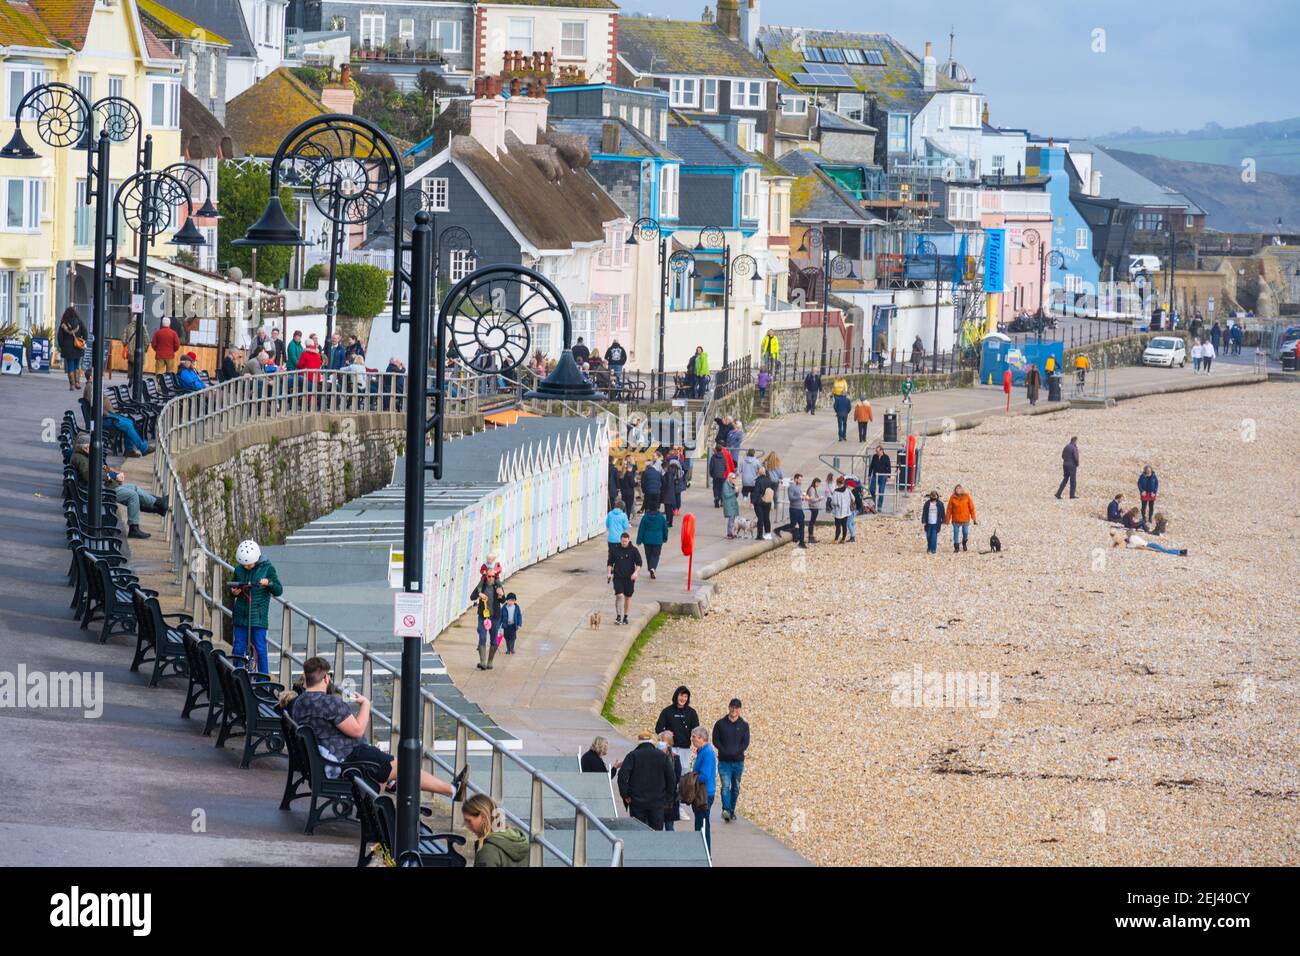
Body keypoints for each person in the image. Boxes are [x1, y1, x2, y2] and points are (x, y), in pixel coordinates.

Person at [288, 656, 465, 804]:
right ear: (326, 678)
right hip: (343, 762)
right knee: (404, 765)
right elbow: (357, 730)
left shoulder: (298, 703)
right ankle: (450, 790)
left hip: (322, 760)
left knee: (390, 768)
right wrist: (365, 704)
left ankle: (449, 789)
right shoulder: (329, 702)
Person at [70, 434, 167, 538]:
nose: (94, 450)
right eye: (91, 447)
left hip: (102, 487)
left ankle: (157, 505)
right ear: (85, 448)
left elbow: (101, 468)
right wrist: (110, 477)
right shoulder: (81, 459)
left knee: (133, 487)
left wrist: (114, 474)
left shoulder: (84, 456)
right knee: (132, 495)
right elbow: (89, 476)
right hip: (100, 491)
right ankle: (135, 527)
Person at [228, 539, 283, 674]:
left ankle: (263, 682)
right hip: (240, 616)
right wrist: (234, 592)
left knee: (260, 649)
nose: (246, 567)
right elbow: (234, 588)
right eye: (243, 564)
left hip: (258, 618)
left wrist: (268, 583)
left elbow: (278, 590)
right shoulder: (239, 569)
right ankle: (237, 675)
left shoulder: (268, 568)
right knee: (238, 648)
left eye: (249, 564)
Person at [617, 732, 676, 831]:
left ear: (639, 742)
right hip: (657, 802)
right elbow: (672, 779)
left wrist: (625, 795)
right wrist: (667, 797)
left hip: (637, 801)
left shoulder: (632, 756)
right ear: (651, 741)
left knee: (638, 832)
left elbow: (622, 777)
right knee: (656, 832)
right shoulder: (662, 756)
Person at [461, 794, 529, 867]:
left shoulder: (488, 851)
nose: (466, 825)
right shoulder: (522, 841)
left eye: (469, 821)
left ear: (483, 817)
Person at [712, 699, 749, 823]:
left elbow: (745, 742)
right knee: (725, 786)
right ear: (729, 708)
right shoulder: (720, 724)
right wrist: (724, 750)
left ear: (740, 709)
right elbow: (715, 740)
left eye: (737, 708)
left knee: (736, 787)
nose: (734, 710)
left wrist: (736, 751)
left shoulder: (744, 725)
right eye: (732, 707)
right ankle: (726, 810)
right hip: (724, 761)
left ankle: (732, 810)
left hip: (738, 762)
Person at [470, 567, 505, 670]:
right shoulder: (482, 586)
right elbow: (472, 597)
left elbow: (503, 601)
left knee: (494, 640)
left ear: (495, 577)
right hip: (483, 617)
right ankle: (483, 662)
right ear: (485, 576)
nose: (490, 578)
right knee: (482, 637)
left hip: (495, 617)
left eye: (492, 576)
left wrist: (501, 594)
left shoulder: (498, 586)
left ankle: (490, 662)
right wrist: (479, 594)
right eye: (488, 576)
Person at [689, 726, 718, 852]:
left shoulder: (707, 753)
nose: (691, 739)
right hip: (701, 793)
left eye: (693, 737)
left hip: (705, 794)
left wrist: (689, 780)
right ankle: (701, 852)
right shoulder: (702, 751)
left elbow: (704, 776)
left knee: (702, 826)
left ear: (701, 738)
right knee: (699, 824)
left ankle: (705, 854)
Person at [607, 532, 641, 625]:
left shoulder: (634, 550)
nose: (624, 543)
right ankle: (618, 616)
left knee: (628, 597)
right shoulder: (615, 550)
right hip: (618, 577)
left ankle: (625, 616)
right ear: (620, 540)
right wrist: (609, 573)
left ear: (628, 540)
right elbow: (610, 562)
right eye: (622, 541)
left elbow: (639, 563)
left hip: (630, 578)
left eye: (625, 541)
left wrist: (636, 573)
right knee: (619, 595)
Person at [655, 686, 700, 752]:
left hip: (685, 748)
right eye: (681, 696)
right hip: (669, 748)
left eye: (686, 696)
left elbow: (696, 729)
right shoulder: (667, 711)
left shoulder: (691, 712)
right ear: (676, 696)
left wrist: (696, 744)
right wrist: (666, 733)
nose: (683, 698)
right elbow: (658, 728)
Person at [657, 731, 684, 830]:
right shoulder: (654, 755)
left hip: (669, 797)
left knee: (669, 825)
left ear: (668, 743)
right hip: (657, 795)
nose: (659, 743)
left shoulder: (675, 758)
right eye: (658, 740)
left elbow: (677, 777)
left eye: (662, 740)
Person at [636, 502, 669, 578]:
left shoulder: (645, 517)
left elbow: (641, 529)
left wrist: (639, 540)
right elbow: (665, 529)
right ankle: (653, 568)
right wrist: (665, 538)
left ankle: (650, 567)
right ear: (657, 508)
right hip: (658, 539)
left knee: (648, 555)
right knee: (656, 555)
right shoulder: (661, 517)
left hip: (647, 540)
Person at [58, 306, 87, 391]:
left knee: (70, 365)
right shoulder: (79, 322)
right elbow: (85, 333)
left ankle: (72, 385)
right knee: (76, 365)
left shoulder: (63, 323)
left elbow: (60, 337)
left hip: (67, 348)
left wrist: (62, 346)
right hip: (77, 346)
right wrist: (83, 341)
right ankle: (77, 382)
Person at [776, 473, 807, 548]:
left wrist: (803, 498)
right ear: (795, 479)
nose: (800, 481)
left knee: (802, 525)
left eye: (801, 480)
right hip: (794, 509)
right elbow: (791, 498)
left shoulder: (798, 486)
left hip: (800, 509)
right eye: (799, 479)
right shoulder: (791, 487)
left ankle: (802, 543)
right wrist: (799, 497)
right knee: (792, 525)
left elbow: (799, 497)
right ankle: (778, 529)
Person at [945, 484, 977, 553]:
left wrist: (974, 518)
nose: (958, 490)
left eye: (959, 488)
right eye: (957, 488)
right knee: (956, 533)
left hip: (965, 519)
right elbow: (949, 509)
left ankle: (964, 542)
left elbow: (972, 508)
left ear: (962, 489)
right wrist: (947, 520)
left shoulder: (967, 497)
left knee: (965, 532)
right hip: (955, 519)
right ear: (955, 490)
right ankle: (956, 547)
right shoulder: (952, 498)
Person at [1113, 528, 1187, 557]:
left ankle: (1179, 552)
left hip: (1149, 544)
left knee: (1164, 550)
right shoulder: (1133, 538)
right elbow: (1141, 546)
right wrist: (1151, 549)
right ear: (1131, 533)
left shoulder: (1131, 539)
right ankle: (1179, 552)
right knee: (1164, 550)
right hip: (1149, 544)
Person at [752, 466, 775, 540]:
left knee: (760, 518)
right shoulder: (769, 480)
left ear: (759, 472)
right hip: (768, 501)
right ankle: (768, 533)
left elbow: (756, 492)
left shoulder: (758, 481)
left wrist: (753, 502)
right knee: (766, 517)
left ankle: (760, 535)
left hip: (760, 502)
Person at [920, 489, 945, 554]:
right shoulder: (927, 504)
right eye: (932, 496)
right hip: (928, 522)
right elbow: (924, 512)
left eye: (935, 496)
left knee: (934, 536)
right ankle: (929, 547)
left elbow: (942, 513)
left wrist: (943, 520)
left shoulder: (940, 504)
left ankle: (933, 549)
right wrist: (923, 520)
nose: (934, 497)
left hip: (936, 523)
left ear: (937, 496)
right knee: (928, 535)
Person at [662, 458, 685, 527]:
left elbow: (667, 484)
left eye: (663, 468)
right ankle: (670, 522)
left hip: (667, 494)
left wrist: (663, 481)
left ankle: (668, 522)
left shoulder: (668, 473)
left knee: (668, 509)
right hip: (671, 493)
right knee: (670, 508)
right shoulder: (672, 473)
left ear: (665, 467)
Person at [829, 477, 853, 543]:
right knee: (844, 525)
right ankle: (843, 539)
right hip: (846, 511)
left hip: (838, 512)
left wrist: (832, 505)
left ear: (837, 483)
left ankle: (836, 539)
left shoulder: (836, 491)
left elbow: (834, 502)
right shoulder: (847, 490)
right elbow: (853, 498)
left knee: (838, 526)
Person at [868, 445, 891, 511]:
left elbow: (889, 467)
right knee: (871, 489)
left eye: (877, 451)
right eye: (876, 451)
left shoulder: (886, 457)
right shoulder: (874, 456)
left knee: (881, 491)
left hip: (883, 476)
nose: (876, 452)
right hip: (875, 475)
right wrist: (869, 475)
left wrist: (888, 476)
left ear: (882, 450)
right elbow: (871, 466)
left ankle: (879, 506)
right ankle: (874, 501)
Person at [804, 477, 825, 543]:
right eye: (818, 483)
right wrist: (819, 498)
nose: (819, 485)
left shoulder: (812, 488)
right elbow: (812, 499)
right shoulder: (812, 489)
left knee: (812, 522)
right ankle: (811, 537)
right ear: (815, 482)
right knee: (812, 522)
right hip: (814, 507)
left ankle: (811, 536)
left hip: (814, 507)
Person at [708, 443, 730, 507]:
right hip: (722, 475)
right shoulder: (724, 457)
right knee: (721, 488)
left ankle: (716, 497)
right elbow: (726, 467)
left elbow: (711, 467)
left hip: (715, 475)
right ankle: (722, 501)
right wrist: (723, 472)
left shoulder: (713, 457)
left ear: (716, 450)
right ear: (721, 450)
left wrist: (711, 474)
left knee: (715, 487)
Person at [721, 472, 741, 538]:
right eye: (733, 478)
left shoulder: (732, 484)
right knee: (731, 519)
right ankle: (729, 533)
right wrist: (734, 492)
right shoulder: (725, 485)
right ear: (729, 478)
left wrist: (737, 492)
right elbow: (726, 495)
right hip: (728, 504)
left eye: (734, 478)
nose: (734, 479)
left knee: (732, 519)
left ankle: (731, 532)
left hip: (733, 504)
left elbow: (735, 495)